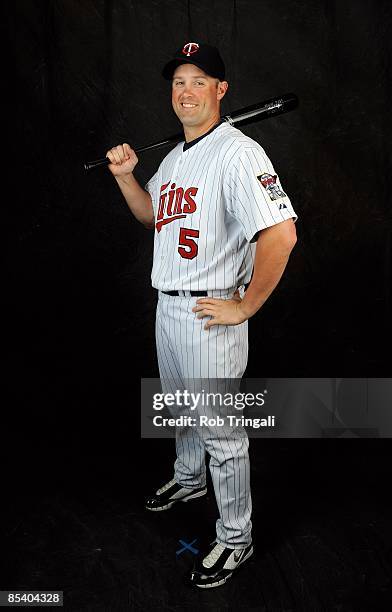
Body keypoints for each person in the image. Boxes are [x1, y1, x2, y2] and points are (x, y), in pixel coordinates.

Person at [106, 42, 298, 589]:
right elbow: (152, 218)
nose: (186, 91)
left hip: (211, 312)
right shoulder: (173, 158)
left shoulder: (240, 153)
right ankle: (189, 479)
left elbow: (281, 235)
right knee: (178, 407)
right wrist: (125, 176)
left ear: (221, 90)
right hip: (167, 306)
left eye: (198, 81)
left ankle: (236, 537)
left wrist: (245, 306)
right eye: (178, 82)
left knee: (220, 432)